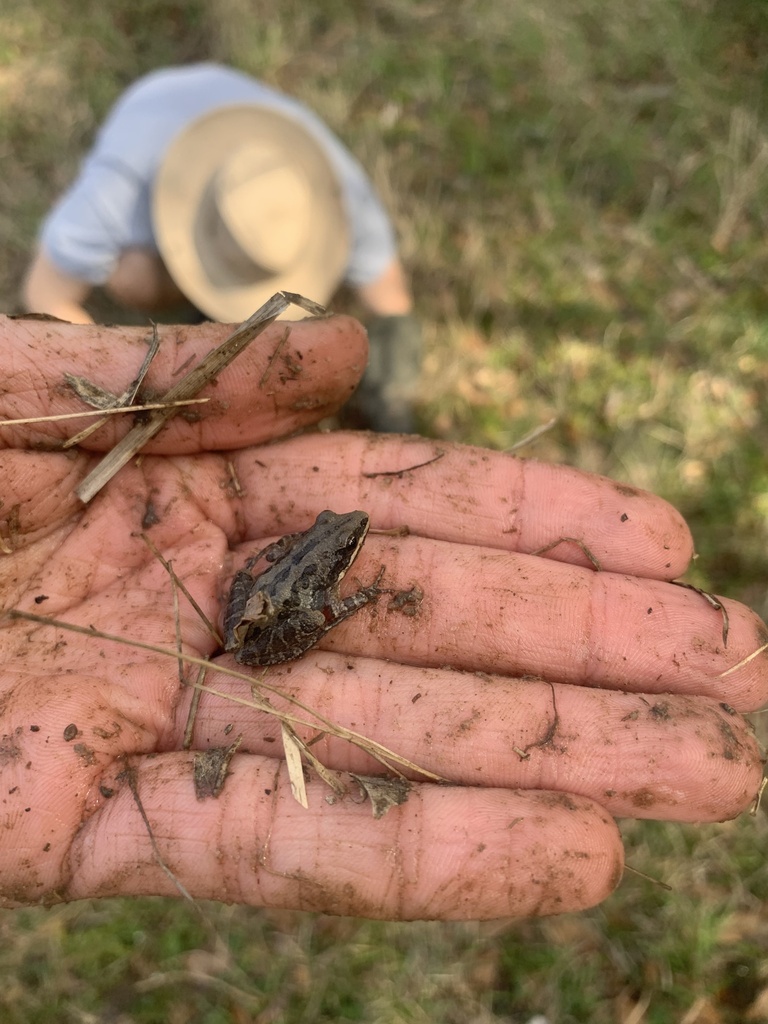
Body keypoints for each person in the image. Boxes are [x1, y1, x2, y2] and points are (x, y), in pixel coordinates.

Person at [0, 310, 765, 917]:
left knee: (283, 598)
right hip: (274, 625)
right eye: (349, 535)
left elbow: (283, 567)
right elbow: (312, 588)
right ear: (344, 543)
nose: (351, 534)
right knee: (308, 609)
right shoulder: (331, 560)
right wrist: (353, 600)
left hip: (256, 607)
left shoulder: (312, 543)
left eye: (347, 534)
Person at [20, 63, 420, 432]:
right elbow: (46, 291)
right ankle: (184, 310)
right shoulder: (120, 191)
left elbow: (390, 295)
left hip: (225, 119)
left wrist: (393, 402)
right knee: (134, 277)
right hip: (157, 135)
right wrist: (128, 391)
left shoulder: (336, 189)